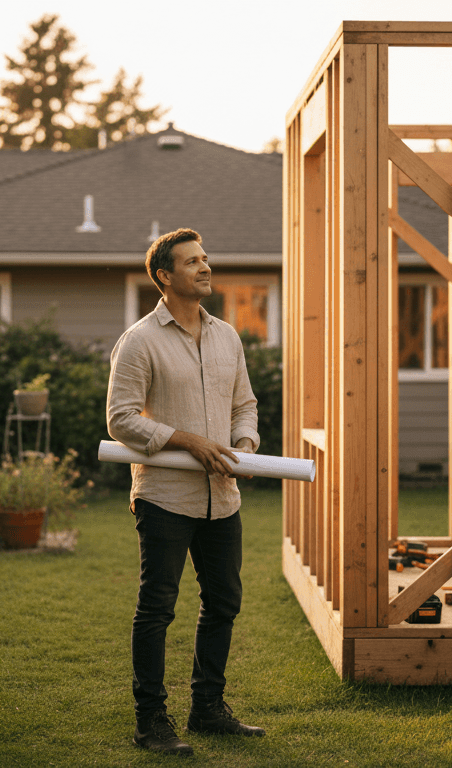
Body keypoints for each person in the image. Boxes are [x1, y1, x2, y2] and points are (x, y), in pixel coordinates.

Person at [106, 228, 265, 756]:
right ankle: (151, 721)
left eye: (205, 258)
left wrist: (244, 445)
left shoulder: (227, 337)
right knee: (157, 608)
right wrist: (187, 440)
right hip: (165, 498)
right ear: (164, 276)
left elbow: (245, 404)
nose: (205, 267)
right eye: (192, 261)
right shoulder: (139, 340)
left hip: (223, 496)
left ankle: (208, 709)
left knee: (223, 602)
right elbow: (120, 419)